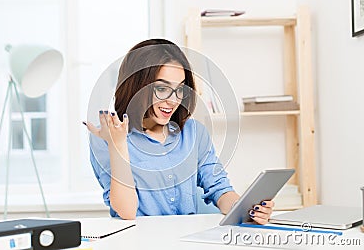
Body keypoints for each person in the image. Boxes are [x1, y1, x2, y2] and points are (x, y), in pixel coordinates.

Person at [84, 38, 274, 222]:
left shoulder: (194, 132)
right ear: (136, 86)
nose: (173, 100)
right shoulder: (106, 136)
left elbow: (219, 189)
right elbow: (126, 211)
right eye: (162, 88)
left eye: (180, 89)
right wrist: (118, 145)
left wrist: (247, 210)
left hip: (185, 239)